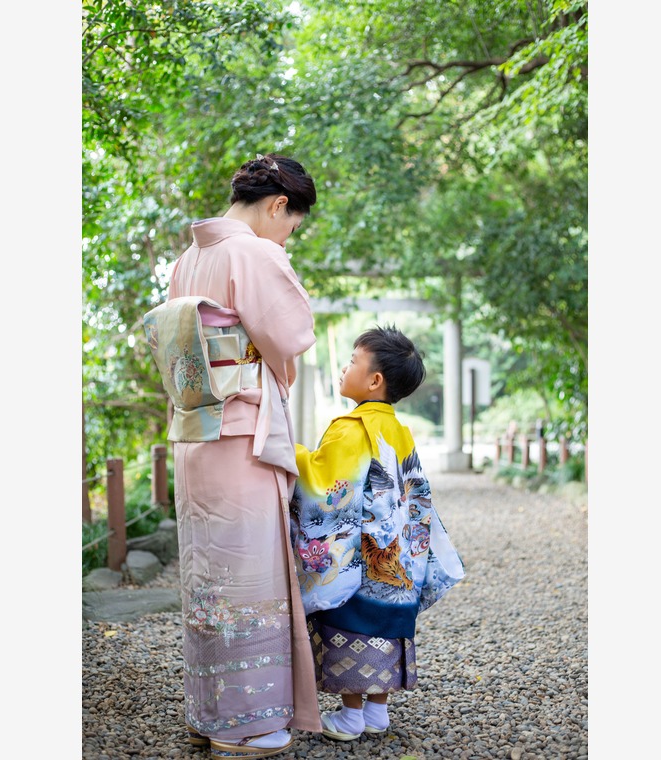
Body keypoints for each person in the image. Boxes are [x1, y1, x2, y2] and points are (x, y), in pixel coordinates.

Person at [156, 153, 321, 759]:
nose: (287, 236)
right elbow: (292, 335)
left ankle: (210, 709)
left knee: (208, 571)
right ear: (279, 204)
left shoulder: (188, 256)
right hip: (240, 430)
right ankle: (245, 721)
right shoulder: (252, 251)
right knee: (247, 574)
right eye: (291, 224)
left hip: (197, 430)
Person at [289, 325, 466, 742]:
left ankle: (351, 718)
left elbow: (325, 483)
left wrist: (293, 454)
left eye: (353, 361)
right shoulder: (399, 430)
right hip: (400, 559)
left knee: (352, 625)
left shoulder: (351, 427)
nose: (345, 367)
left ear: (374, 381)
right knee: (385, 629)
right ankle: (377, 713)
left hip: (364, 561)